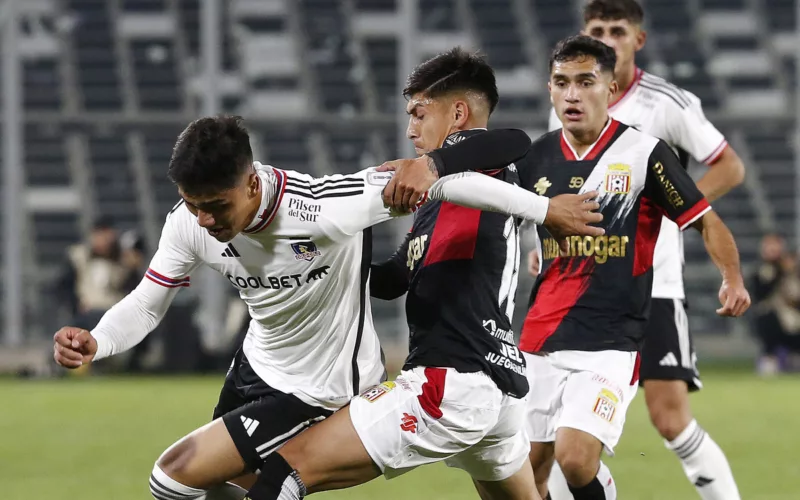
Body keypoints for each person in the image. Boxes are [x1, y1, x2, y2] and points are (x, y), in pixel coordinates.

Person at [53, 114, 601, 500]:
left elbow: (460, 182)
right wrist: (98, 340)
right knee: (220, 490)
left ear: (251, 181)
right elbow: (148, 305)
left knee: (171, 479)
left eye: (215, 206)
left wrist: (543, 209)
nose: (204, 222)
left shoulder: (326, 207)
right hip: (256, 369)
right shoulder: (187, 223)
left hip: (320, 386)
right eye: (194, 206)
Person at [381, 35, 751, 500]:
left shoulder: (644, 154)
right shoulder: (534, 156)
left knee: (576, 459)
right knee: (530, 472)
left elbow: (705, 222)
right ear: (550, 90)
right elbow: (493, 192)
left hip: (611, 340)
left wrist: (731, 279)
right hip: (540, 337)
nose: (572, 94)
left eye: (585, 82)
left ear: (610, 90)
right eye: (561, 83)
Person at [240, 48, 607, 500]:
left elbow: (512, 139)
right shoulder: (444, 193)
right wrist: (311, 271)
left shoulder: (476, 164)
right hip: (495, 390)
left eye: (419, 113)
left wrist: (432, 165)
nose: (411, 128)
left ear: (458, 114)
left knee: (282, 473)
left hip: (452, 383)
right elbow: (396, 277)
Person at [535, 2, 748, 498]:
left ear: (638, 39)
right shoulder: (569, 98)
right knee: (557, 436)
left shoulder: (666, 102)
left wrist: (667, 204)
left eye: (617, 30)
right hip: (585, 287)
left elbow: (730, 167)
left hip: (656, 279)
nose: (607, 39)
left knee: (669, 418)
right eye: (597, 30)